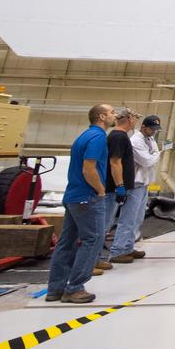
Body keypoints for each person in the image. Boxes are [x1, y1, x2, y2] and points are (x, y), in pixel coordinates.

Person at [46, 104, 115, 304]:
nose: (114, 115)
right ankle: (75, 287)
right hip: (88, 197)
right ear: (101, 116)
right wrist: (101, 190)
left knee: (66, 242)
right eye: (111, 112)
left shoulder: (84, 136)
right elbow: (88, 168)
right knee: (93, 239)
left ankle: (55, 289)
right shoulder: (98, 138)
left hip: (73, 196)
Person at [110, 114, 161, 262]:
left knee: (137, 218)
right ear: (144, 127)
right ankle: (117, 251)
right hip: (134, 184)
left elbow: (152, 156)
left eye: (156, 129)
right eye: (152, 129)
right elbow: (147, 161)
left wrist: (154, 155)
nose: (154, 132)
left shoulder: (150, 139)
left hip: (143, 184)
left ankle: (128, 247)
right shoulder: (135, 141)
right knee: (128, 218)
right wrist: (157, 154)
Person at [98, 107, 138, 267]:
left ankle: (105, 255)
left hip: (118, 187)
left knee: (108, 222)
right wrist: (119, 186)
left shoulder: (120, 136)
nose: (135, 121)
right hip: (112, 189)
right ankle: (94, 259)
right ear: (129, 119)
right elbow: (115, 162)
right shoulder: (118, 137)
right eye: (134, 118)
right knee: (104, 223)